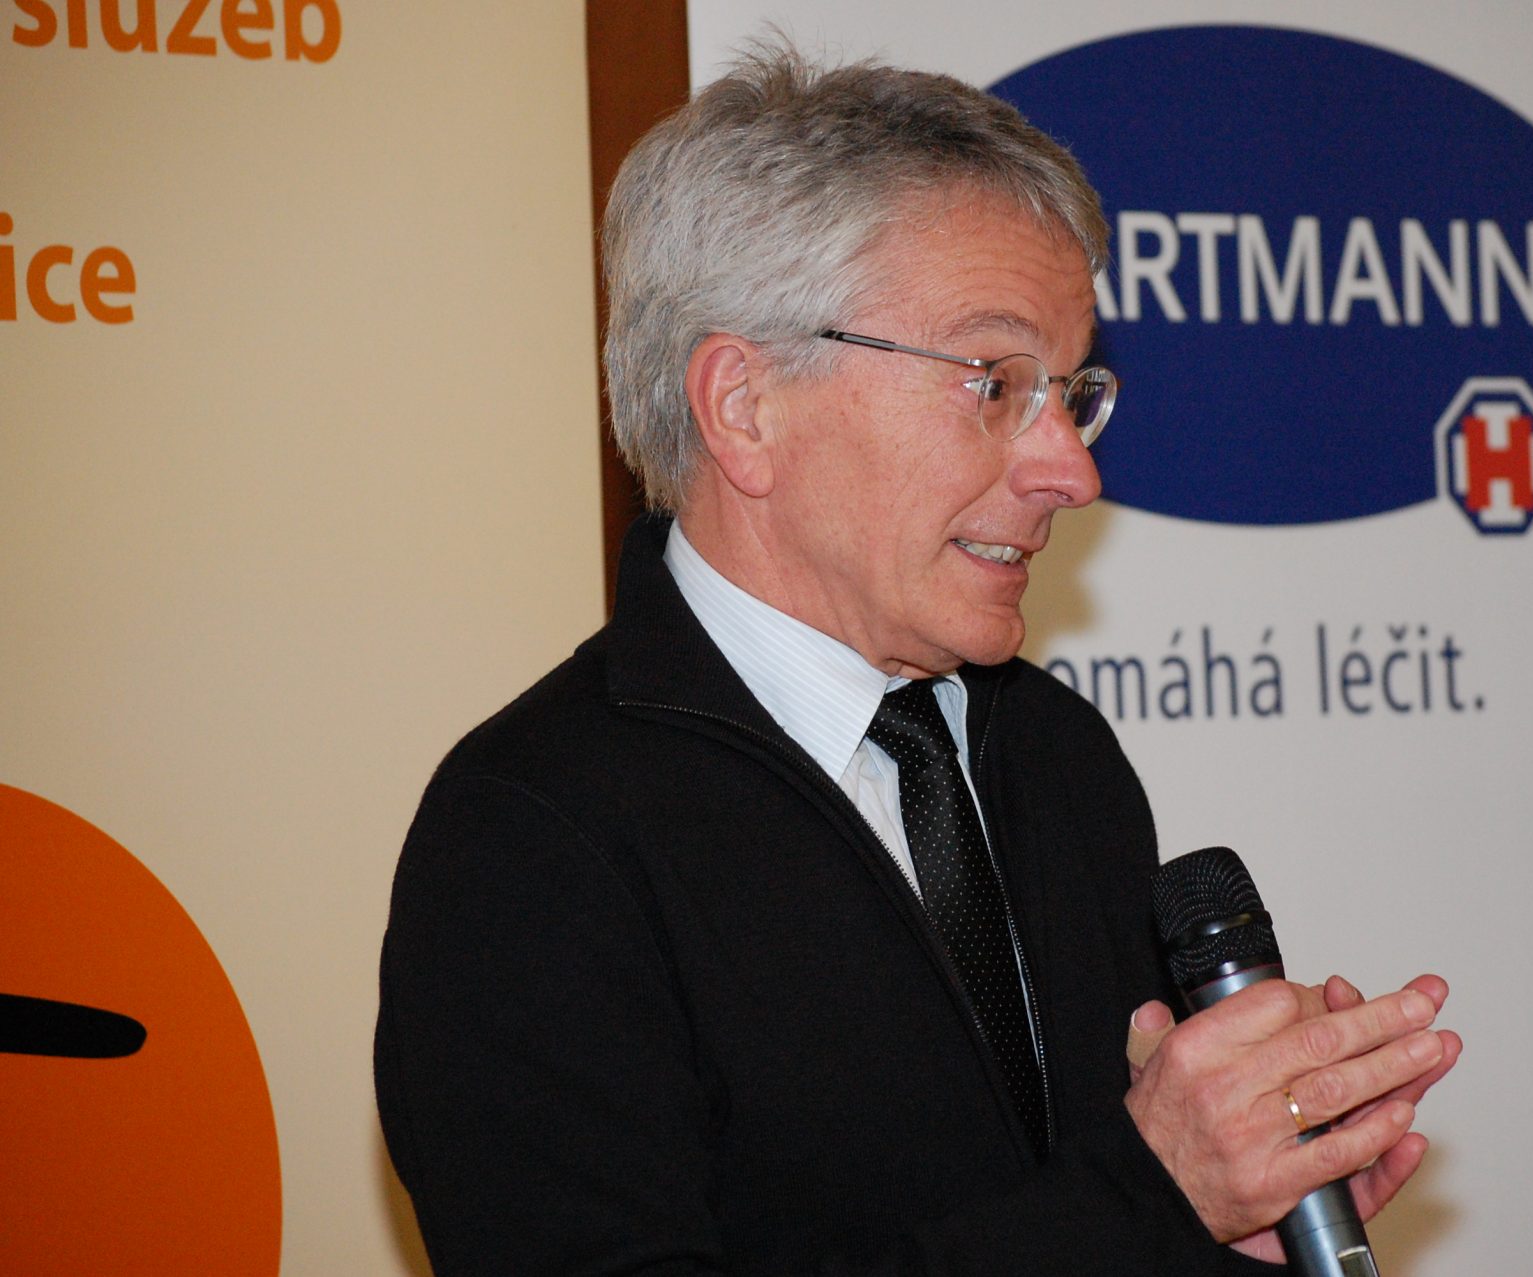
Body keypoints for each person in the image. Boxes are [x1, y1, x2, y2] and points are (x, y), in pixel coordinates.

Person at [375, 43, 1459, 1276]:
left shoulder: (1056, 753)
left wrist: (1222, 1228)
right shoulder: (531, 837)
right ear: (743, 406)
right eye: (994, 384)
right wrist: (1148, 1194)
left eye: (1073, 392)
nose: (1073, 469)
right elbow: (1100, 1213)